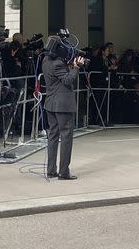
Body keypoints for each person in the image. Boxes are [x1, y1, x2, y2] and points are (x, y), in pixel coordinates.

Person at [42, 32, 84, 180]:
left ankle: (51, 170)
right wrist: (76, 67)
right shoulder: (58, 64)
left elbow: (59, 76)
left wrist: (70, 66)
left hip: (50, 104)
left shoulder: (46, 60)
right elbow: (67, 80)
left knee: (53, 136)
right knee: (66, 136)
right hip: (63, 105)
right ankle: (64, 171)